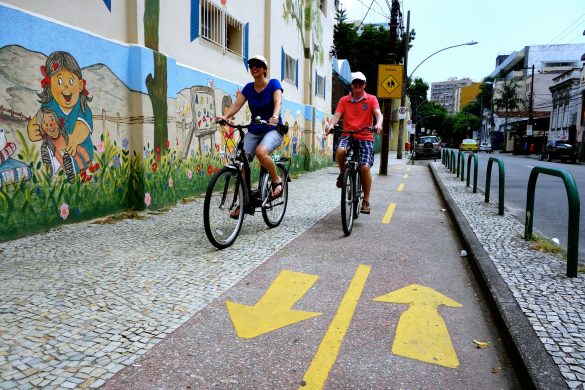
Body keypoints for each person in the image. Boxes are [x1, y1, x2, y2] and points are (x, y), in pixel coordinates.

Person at [217, 55, 284, 217]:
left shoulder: (274, 84)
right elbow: (236, 105)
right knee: (240, 165)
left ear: (265, 69)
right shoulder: (248, 88)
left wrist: (275, 116)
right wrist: (226, 117)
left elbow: (278, 102)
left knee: (261, 152)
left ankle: (276, 180)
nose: (254, 68)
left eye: (258, 65)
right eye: (252, 65)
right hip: (254, 130)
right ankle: (243, 204)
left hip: (272, 129)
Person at [326, 71, 383, 214]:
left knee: (364, 167)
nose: (357, 85)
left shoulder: (371, 99)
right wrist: (331, 126)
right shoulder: (344, 100)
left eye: (360, 83)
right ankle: (342, 173)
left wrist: (379, 124)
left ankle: (366, 201)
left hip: (365, 136)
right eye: (355, 83)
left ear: (364, 85)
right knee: (340, 151)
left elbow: (378, 114)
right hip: (348, 135)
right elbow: (337, 116)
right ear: (351, 85)